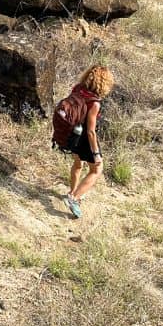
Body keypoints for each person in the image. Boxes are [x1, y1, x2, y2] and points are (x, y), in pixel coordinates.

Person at [63, 65, 115, 219]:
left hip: (72, 134)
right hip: (84, 138)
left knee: (78, 165)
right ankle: (74, 199)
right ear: (104, 83)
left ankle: (72, 191)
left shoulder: (77, 89)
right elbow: (91, 131)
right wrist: (96, 154)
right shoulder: (94, 103)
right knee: (96, 170)